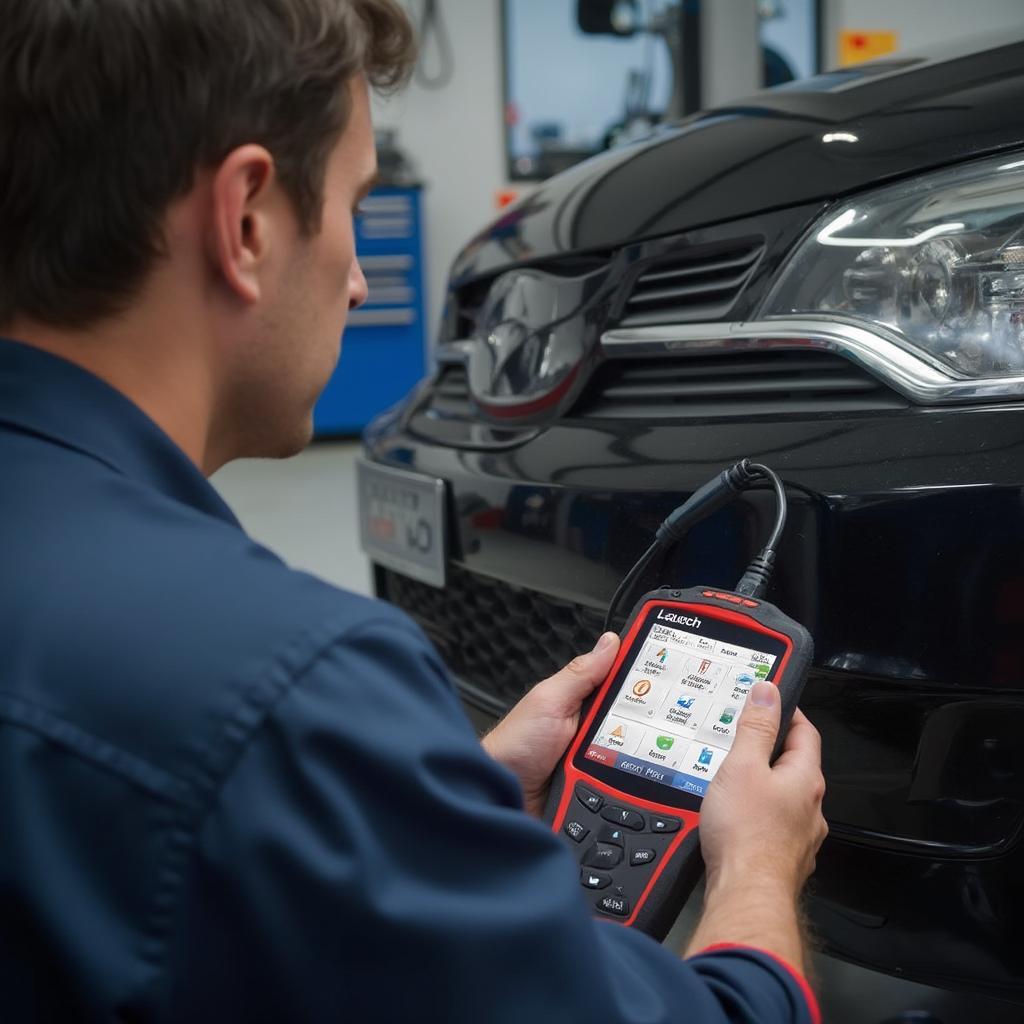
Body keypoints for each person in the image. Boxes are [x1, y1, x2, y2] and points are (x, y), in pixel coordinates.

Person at [0, 1, 828, 1021]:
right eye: (354, 201)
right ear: (247, 219)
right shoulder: (288, 688)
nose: (355, 281)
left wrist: (406, 809)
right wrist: (755, 867)